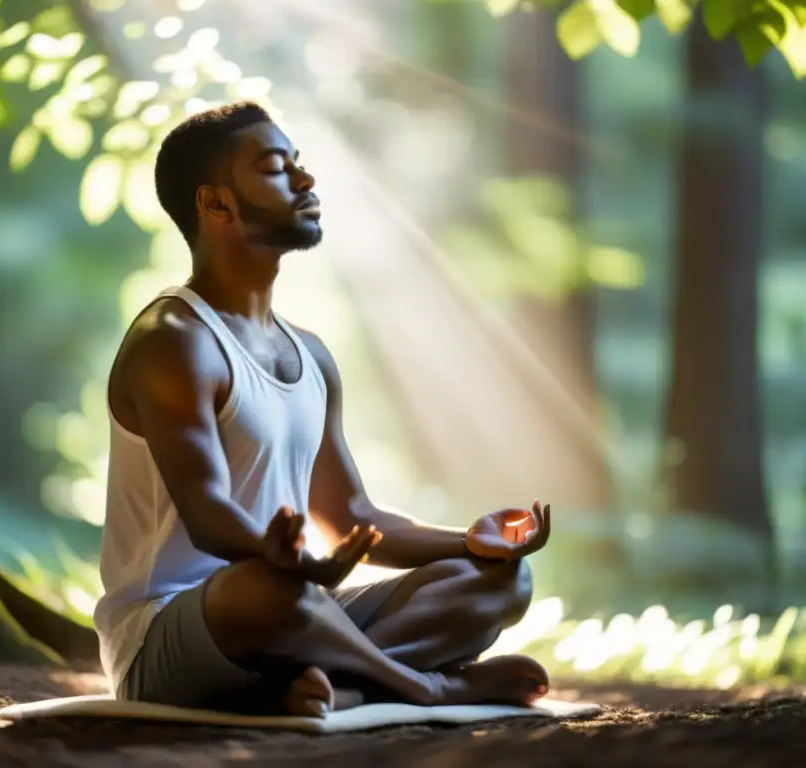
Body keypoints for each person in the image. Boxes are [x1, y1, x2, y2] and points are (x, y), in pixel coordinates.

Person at [92, 100, 553, 718]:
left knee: (501, 581)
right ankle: (424, 686)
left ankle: (335, 687)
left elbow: (353, 515)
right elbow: (208, 518)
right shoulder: (174, 339)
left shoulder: (310, 354)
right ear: (217, 204)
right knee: (266, 589)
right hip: (179, 631)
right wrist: (297, 563)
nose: (305, 182)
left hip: (296, 603)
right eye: (277, 168)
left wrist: (472, 543)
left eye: (299, 165)